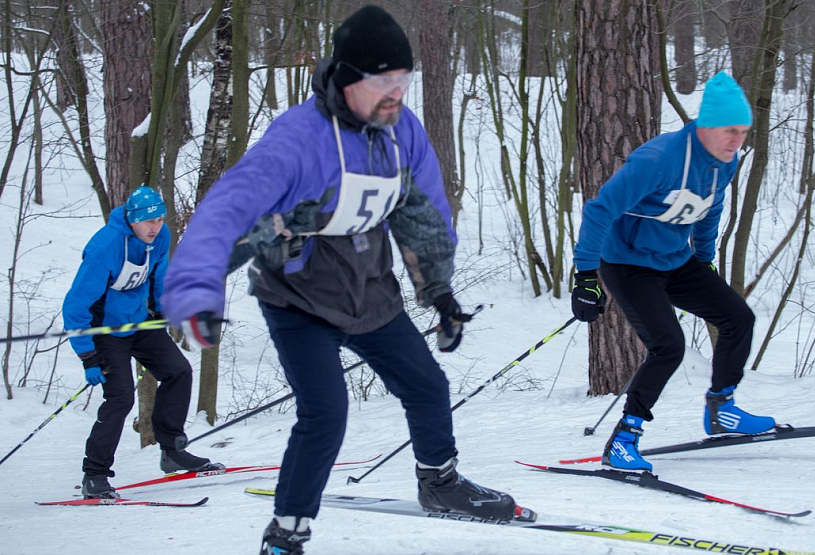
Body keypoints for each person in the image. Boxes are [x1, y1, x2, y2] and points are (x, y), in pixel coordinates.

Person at [161, 6, 522, 554]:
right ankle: (286, 533)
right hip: (298, 300)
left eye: (403, 80)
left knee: (428, 386)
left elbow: (422, 214)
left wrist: (440, 292)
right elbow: (228, 210)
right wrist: (196, 289)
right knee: (327, 412)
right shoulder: (299, 140)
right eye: (384, 82)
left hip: (369, 293)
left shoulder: (402, 133)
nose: (396, 94)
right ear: (348, 78)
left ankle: (441, 484)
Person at [571, 71, 776, 473]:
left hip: (675, 259)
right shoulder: (659, 159)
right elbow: (599, 210)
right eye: (729, 131)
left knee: (738, 318)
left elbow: (710, 208)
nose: (737, 140)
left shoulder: (724, 162)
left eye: (743, 132)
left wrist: (705, 257)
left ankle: (721, 409)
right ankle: (624, 440)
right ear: (705, 126)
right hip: (628, 262)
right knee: (669, 346)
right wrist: (586, 277)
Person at [63, 186, 221, 499]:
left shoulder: (160, 238)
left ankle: (172, 450)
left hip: (139, 322)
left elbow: (160, 277)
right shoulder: (105, 246)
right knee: (121, 398)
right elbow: (76, 305)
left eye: (160, 219)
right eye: (149, 221)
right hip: (106, 331)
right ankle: (94, 474)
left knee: (179, 371)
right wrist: (88, 356)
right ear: (134, 221)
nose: (156, 227)